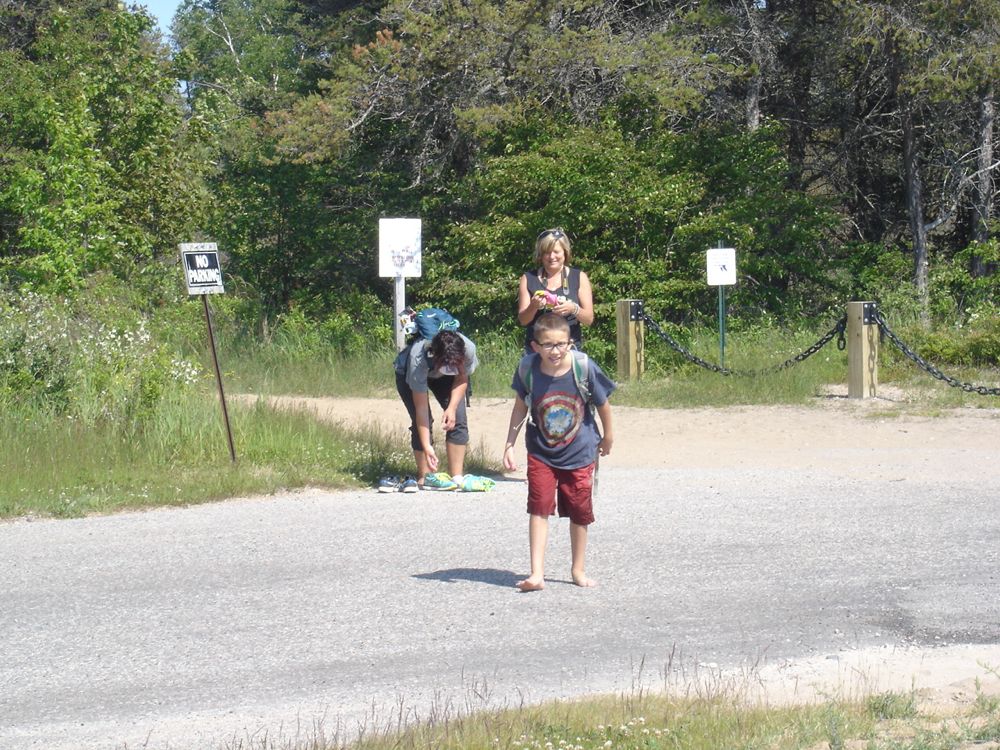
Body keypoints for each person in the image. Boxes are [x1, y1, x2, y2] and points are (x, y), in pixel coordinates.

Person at [502, 313, 615, 591]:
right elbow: (520, 406)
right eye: (548, 345)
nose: (556, 351)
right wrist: (509, 442)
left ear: (570, 342)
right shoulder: (527, 368)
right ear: (535, 346)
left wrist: (608, 435)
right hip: (541, 450)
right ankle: (536, 573)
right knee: (538, 507)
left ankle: (578, 569)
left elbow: (603, 405)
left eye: (562, 344)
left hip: (580, 450)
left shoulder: (583, 367)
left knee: (579, 510)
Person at [393, 328, 479, 491]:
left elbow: (461, 378)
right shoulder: (418, 358)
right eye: (448, 366)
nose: (451, 369)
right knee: (422, 423)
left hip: (449, 380)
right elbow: (421, 410)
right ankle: (426, 477)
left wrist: (451, 408)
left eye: (455, 365)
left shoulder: (468, 349)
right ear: (435, 355)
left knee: (458, 417)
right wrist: (427, 447)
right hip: (408, 374)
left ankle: (456, 478)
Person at [517, 228, 594, 350]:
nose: (551, 256)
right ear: (540, 255)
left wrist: (573, 308)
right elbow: (523, 320)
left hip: (568, 350)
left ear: (565, 252)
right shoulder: (528, 278)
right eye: (547, 252)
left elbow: (589, 319)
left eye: (556, 252)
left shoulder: (579, 277)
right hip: (537, 350)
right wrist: (533, 306)